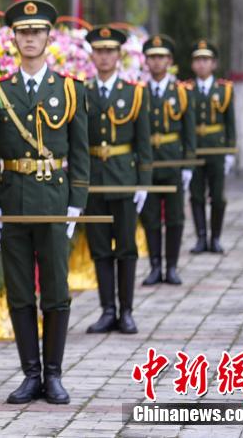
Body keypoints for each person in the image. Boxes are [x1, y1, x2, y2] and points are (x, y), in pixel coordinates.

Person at [0, 0, 89, 405]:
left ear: (48, 37)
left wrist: (76, 203)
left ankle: (54, 374)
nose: (30, 38)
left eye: (37, 32)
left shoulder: (70, 90)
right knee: (20, 290)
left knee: (56, 290)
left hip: (55, 201)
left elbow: (80, 152)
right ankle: (30, 374)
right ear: (14, 38)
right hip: (13, 203)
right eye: (23, 32)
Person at [82, 26, 152, 335]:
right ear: (92, 56)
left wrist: (143, 181)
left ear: (119, 55)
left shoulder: (134, 93)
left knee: (126, 248)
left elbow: (143, 143)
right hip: (93, 180)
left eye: (110, 51)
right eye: (99, 51)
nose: (104, 56)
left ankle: (126, 311)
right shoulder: (82, 92)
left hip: (124, 178)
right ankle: (107, 310)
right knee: (99, 249)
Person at [139, 34, 196, 285]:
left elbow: (189, 133)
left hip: (173, 162)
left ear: (170, 60)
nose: (157, 61)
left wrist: (188, 165)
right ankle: (155, 267)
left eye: (161, 57)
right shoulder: (139, 93)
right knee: (150, 217)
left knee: (174, 217)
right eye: (152, 57)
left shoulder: (181, 93)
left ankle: (171, 267)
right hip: (148, 163)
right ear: (146, 61)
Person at [186, 39, 236, 254]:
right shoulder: (186, 89)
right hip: (195, 149)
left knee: (218, 196)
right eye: (198, 60)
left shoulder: (224, 89)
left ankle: (215, 238)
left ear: (214, 64)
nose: (202, 64)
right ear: (192, 64)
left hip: (217, 149)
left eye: (206, 60)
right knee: (196, 195)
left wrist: (230, 151)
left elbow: (230, 123)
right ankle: (201, 238)